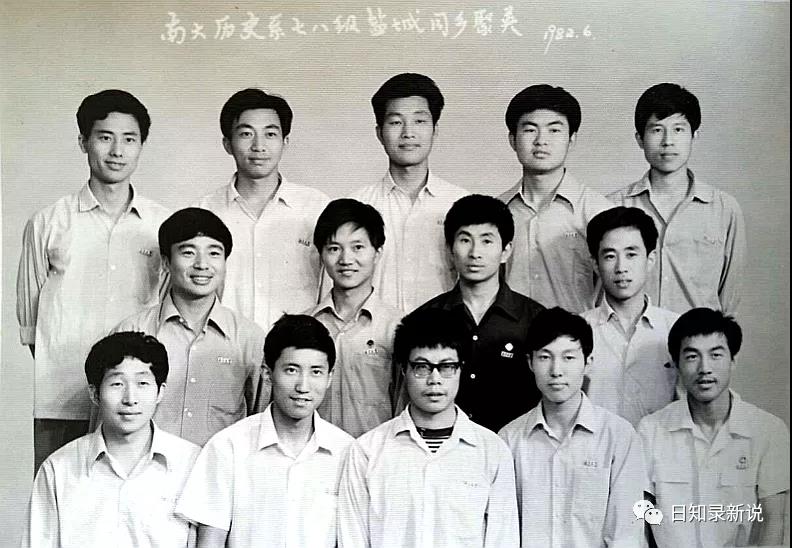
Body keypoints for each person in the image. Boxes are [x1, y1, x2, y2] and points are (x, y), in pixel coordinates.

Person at [16, 89, 171, 470]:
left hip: (136, 400)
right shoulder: (48, 223)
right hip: (62, 399)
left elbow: (168, 310)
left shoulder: (161, 226)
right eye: (105, 137)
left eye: (129, 139)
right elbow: (32, 325)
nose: (117, 151)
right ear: (83, 141)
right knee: (61, 493)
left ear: (142, 145)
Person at [338, 308, 519, 548]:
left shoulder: (492, 450)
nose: (434, 380)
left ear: (461, 369)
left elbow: (503, 540)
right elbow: (353, 540)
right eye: (422, 367)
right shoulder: (367, 451)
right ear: (404, 369)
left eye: (446, 367)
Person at [176, 314, 354, 547]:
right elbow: (211, 541)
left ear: (330, 377)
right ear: (267, 373)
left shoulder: (347, 452)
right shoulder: (228, 446)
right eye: (291, 370)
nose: (303, 386)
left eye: (316, 372)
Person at [22, 331, 200, 548]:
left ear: (160, 392)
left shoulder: (193, 465)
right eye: (117, 384)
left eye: (142, 383)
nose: (130, 399)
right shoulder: (58, 469)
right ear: (95, 394)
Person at [112, 208, 269, 445]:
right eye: (188, 252)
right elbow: (109, 420)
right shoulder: (131, 331)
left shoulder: (250, 338)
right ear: (166, 262)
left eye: (214, 253)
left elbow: (263, 420)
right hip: (147, 465)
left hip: (222, 466)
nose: (202, 264)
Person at [638, 308, 788, 547]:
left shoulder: (768, 431)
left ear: (733, 361)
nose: (704, 368)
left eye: (716, 355)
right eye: (692, 356)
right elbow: (639, 518)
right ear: (676, 364)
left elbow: (773, 520)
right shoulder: (650, 431)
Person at [499, 307, 646, 547]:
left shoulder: (619, 437)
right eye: (545, 357)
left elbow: (626, 534)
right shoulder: (508, 439)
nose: (556, 371)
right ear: (530, 362)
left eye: (568, 357)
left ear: (588, 363)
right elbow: (502, 531)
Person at [408, 194, 544, 432]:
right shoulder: (424, 319)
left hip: (513, 446)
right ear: (450, 249)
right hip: (443, 445)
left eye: (486, 241)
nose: (474, 253)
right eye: (465, 240)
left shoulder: (535, 320)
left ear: (506, 250)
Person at [196, 88, 329, 331]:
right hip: (224, 345)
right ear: (227, 144)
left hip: (298, 347)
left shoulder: (316, 207)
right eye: (246, 134)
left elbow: (332, 288)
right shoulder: (205, 211)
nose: (259, 146)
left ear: (285, 142)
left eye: (270, 134)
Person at [608, 83, 746, 316]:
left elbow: (729, 299)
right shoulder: (613, 206)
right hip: (631, 338)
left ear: (694, 135)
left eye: (679, 129)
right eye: (656, 130)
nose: (668, 141)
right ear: (640, 139)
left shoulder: (725, 209)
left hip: (698, 338)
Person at [352, 73, 469, 312]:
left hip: (443, 332)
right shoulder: (357, 205)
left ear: (435, 130)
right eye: (396, 122)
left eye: (419, 121)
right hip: (372, 332)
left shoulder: (460, 203)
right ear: (379, 133)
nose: (408, 133)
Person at [499, 84, 613, 313]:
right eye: (530, 130)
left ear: (571, 139)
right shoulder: (497, 211)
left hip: (576, 333)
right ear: (512, 140)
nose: (541, 140)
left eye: (554, 130)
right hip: (508, 333)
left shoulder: (598, 211)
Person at [308, 199, 402, 437]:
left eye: (357, 247)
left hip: (376, 454)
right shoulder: (304, 325)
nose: (346, 259)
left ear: (377, 253)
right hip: (314, 455)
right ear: (321, 255)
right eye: (334, 248)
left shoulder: (397, 327)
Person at [581, 206, 680, 426]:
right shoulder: (577, 331)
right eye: (609, 256)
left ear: (651, 259)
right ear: (595, 264)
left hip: (658, 446)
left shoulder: (675, 329)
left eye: (631, 254)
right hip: (595, 446)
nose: (621, 267)